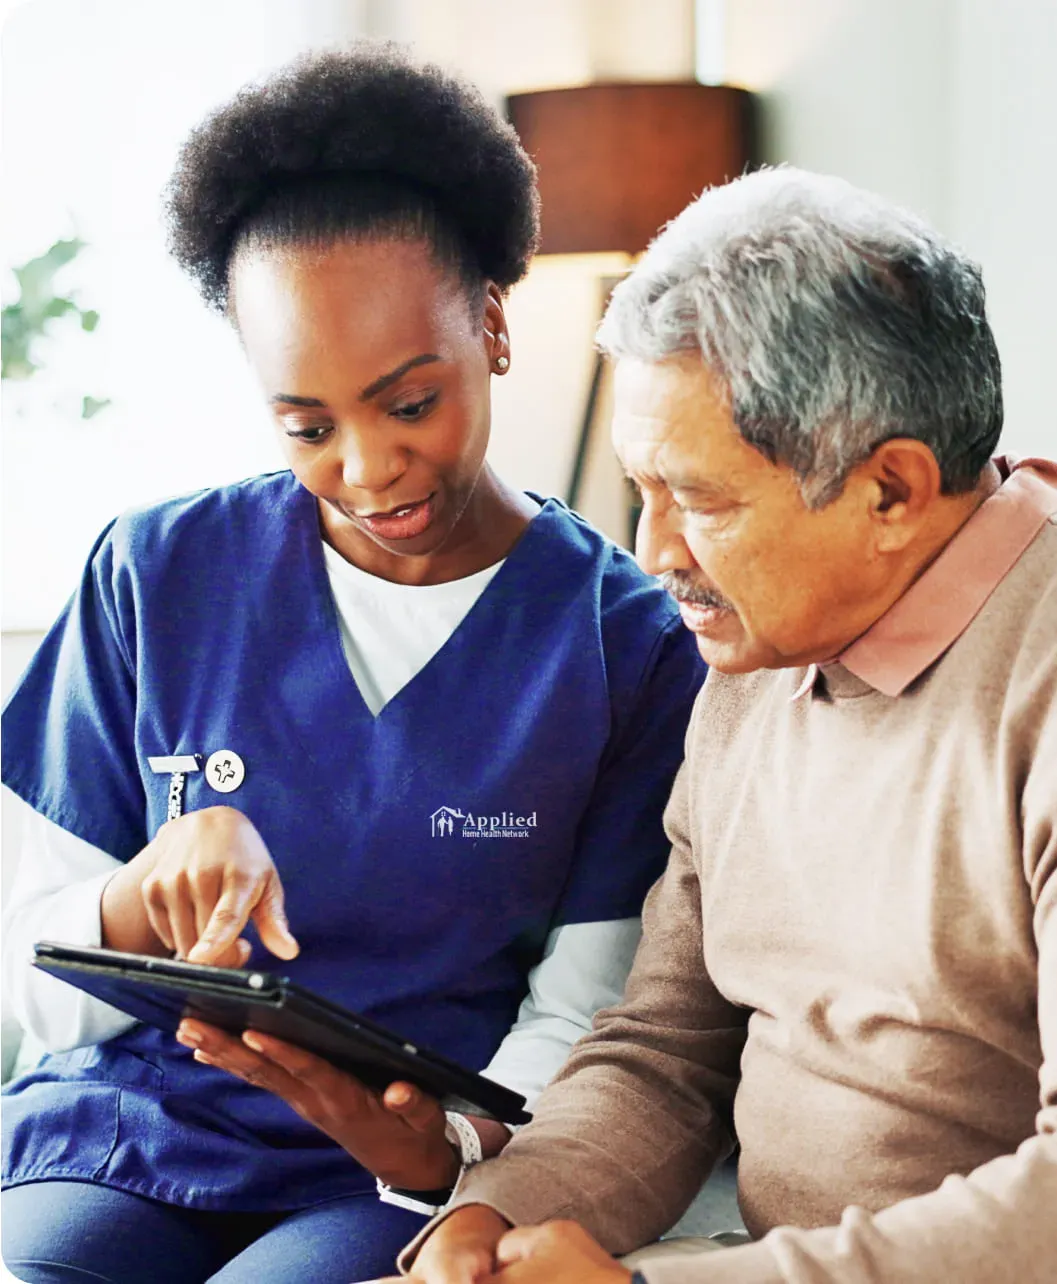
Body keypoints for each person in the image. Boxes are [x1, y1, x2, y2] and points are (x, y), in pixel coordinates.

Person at [0, 43, 705, 1284]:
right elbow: (29, 980)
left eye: (409, 402)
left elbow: (587, 1019)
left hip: (382, 1175)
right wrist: (137, 903)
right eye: (308, 426)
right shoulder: (153, 576)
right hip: (117, 1137)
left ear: (492, 325)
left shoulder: (625, 644)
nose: (368, 470)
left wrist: (442, 1141)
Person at [393, 168, 1057, 1284]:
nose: (655, 552)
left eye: (704, 500)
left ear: (891, 491)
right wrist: (488, 1222)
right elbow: (667, 1056)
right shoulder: (754, 646)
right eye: (642, 489)